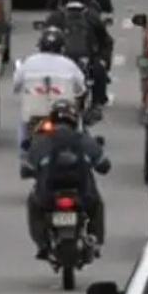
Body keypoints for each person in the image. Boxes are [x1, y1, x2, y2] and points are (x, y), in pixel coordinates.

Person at [24, 100, 110, 260]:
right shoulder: (83, 139)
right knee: (97, 205)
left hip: (47, 196)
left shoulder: (41, 141)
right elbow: (104, 166)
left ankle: (42, 244)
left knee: (33, 205)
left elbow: (25, 169)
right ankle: (95, 240)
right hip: (83, 195)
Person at [13, 27, 87, 152]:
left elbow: (16, 85)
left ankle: (24, 153)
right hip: (64, 115)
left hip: (33, 115)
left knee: (23, 128)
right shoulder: (69, 64)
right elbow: (81, 88)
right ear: (62, 47)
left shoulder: (28, 62)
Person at [43, 0, 113, 108]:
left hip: (65, 64)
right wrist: (104, 61)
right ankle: (97, 102)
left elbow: (44, 42)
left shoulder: (55, 17)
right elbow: (105, 41)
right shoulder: (92, 16)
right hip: (85, 63)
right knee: (99, 72)